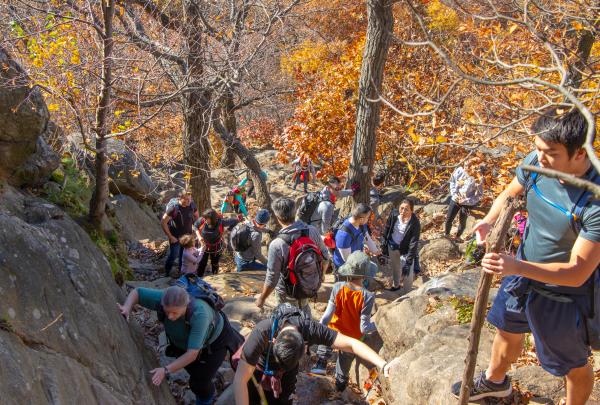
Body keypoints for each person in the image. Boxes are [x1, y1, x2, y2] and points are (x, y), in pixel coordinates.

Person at [451, 107, 600, 404]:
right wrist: (489, 221)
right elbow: (511, 192)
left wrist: (517, 266)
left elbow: (577, 271)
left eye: (551, 152)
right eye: (538, 148)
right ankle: (495, 381)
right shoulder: (537, 163)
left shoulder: (594, 200)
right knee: (506, 327)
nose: (540, 157)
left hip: (562, 294)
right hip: (521, 270)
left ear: (580, 154)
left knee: (573, 364)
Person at [232, 303, 391, 405]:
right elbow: (240, 379)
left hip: (289, 369)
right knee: (252, 397)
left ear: (304, 343)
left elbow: (351, 344)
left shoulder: (311, 329)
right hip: (261, 364)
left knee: (282, 400)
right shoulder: (262, 333)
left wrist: (382, 364)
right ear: (274, 341)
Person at [118, 285, 243, 405]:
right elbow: (138, 293)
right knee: (192, 370)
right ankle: (211, 376)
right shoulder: (165, 299)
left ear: (186, 305)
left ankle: (206, 400)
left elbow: (192, 354)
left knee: (198, 383)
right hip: (186, 342)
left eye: (174, 313)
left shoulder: (200, 314)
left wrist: (166, 370)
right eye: (167, 312)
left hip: (215, 343)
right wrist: (126, 307)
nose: (170, 316)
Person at [310, 251, 378, 393]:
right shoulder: (368, 296)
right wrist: (377, 324)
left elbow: (326, 317)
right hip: (352, 339)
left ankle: (321, 363)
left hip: (334, 333)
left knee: (327, 333)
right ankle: (340, 388)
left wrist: (319, 333)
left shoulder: (338, 287)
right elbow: (364, 327)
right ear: (365, 275)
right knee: (344, 364)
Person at [255, 197, 330, 317]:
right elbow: (325, 257)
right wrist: (321, 275)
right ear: (295, 212)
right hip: (309, 284)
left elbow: (272, 277)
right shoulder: (312, 231)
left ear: (277, 217)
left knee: (288, 318)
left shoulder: (277, 244)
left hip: (287, 291)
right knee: (304, 308)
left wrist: (262, 299)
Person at [381, 199, 421, 292]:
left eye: (406, 209)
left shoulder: (415, 223)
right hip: (392, 246)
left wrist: (409, 261)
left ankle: (407, 293)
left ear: (411, 210)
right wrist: (384, 243)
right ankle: (396, 286)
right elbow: (387, 228)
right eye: (401, 208)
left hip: (406, 250)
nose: (403, 211)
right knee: (396, 268)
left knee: (408, 273)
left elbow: (413, 243)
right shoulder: (394, 214)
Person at [333, 204, 381, 274]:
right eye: (368, 217)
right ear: (361, 219)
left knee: (373, 269)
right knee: (345, 285)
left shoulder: (361, 224)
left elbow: (367, 238)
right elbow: (348, 260)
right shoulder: (343, 235)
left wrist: (376, 251)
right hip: (344, 267)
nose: (368, 220)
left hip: (357, 261)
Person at [444, 158, 485, 240]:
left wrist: (467, 200)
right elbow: (452, 182)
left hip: (467, 203)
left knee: (462, 222)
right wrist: (454, 194)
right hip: (455, 199)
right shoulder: (459, 170)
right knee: (449, 218)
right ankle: (447, 234)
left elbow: (479, 195)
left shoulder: (477, 178)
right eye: (465, 165)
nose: (466, 167)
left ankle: (458, 236)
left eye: (469, 166)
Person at [161, 191, 199, 276]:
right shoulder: (173, 208)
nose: (189, 201)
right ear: (179, 198)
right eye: (186, 199)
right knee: (174, 255)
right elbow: (163, 222)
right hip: (175, 237)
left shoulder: (192, 205)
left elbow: (196, 216)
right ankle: (167, 272)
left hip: (187, 237)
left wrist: (195, 229)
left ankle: (181, 272)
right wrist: (170, 237)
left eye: (190, 199)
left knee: (184, 256)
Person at [194, 209, 239, 276]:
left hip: (216, 248)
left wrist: (227, 230)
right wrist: (199, 236)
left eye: (207, 219)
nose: (205, 220)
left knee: (215, 264)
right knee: (202, 263)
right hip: (203, 246)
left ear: (213, 219)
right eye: (205, 218)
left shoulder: (221, 222)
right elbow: (195, 226)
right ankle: (199, 278)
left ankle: (215, 278)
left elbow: (235, 220)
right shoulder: (202, 220)